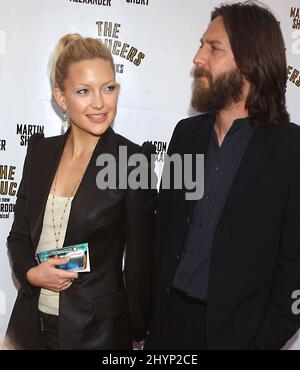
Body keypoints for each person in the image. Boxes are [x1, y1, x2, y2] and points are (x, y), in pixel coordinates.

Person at [145, 2, 300, 350]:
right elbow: (164, 234)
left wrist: (260, 343)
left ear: (250, 62)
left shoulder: (291, 149)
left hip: (238, 337)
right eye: (201, 45)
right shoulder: (185, 134)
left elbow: (295, 267)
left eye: (213, 48)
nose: (198, 58)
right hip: (167, 329)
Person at [5, 34, 156, 350]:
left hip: (97, 334)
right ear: (61, 98)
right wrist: (31, 274)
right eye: (83, 91)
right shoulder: (40, 153)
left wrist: (138, 327)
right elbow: (18, 236)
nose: (100, 102)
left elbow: (141, 260)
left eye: (108, 88)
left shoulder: (131, 162)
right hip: (30, 327)